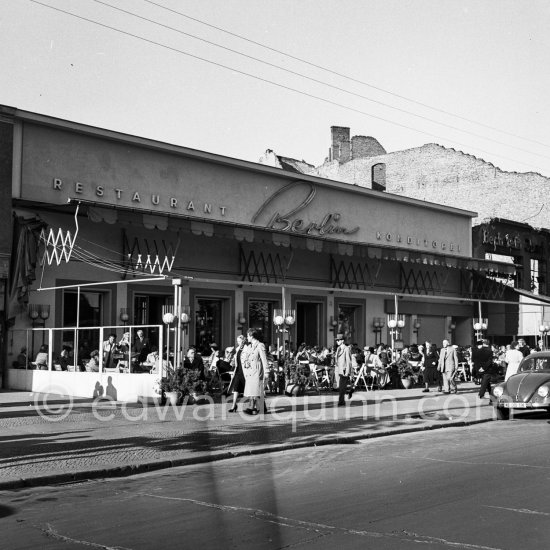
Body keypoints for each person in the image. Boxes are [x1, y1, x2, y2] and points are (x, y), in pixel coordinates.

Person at [243, 328, 268, 415]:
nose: (247, 338)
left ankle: (252, 407)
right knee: (254, 391)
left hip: (257, 372)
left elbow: (264, 360)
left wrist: (267, 371)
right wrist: (246, 363)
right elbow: (248, 358)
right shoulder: (250, 346)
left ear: (252, 336)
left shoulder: (260, 345)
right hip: (251, 372)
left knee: (256, 390)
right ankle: (262, 408)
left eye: (247, 336)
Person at [227, 334, 248, 412]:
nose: (238, 342)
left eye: (239, 341)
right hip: (238, 370)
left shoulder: (247, 348)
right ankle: (233, 405)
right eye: (237, 341)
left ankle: (255, 405)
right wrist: (233, 362)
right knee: (236, 388)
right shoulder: (237, 348)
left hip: (244, 371)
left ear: (243, 340)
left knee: (248, 389)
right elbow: (236, 358)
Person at [333, 333, 352, 405]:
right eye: (336, 340)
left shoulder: (346, 349)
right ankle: (348, 392)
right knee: (339, 386)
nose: (337, 341)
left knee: (342, 386)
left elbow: (349, 361)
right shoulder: (338, 348)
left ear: (342, 341)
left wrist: (348, 371)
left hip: (343, 369)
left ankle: (341, 401)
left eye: (338, 340)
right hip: (337, 369)